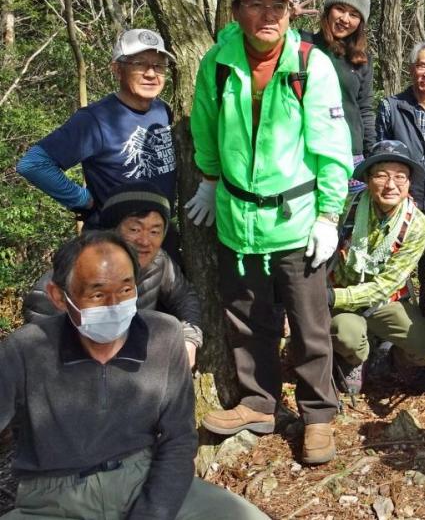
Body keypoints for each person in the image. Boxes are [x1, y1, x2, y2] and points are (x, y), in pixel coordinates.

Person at [187, 0, 353, 465]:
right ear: (237, 11)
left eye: (277, 7)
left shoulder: (310, 64)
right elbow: (205, 126)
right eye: (256, 4)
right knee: (245, 318)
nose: (267, 15)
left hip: (296, 218)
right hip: (237, 218)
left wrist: (329, 213)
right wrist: (210, 179)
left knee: (309, 323)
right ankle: (258, 403)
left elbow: (333, 149)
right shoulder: (218, 61)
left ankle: (318, 415)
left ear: (290, 13)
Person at [0, 231, 267, 520]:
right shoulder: (26, 349)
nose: (115, 305)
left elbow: (178, 439)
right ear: (59, 297)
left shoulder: (163, 336)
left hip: (145, 480)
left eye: (126, 290)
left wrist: (152, 513)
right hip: (52, 499)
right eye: (98, 294)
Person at [16, 28, 179, 253]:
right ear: (117, 69)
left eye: (158, 65)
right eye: (139, 64)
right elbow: (33, 164)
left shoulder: (164, 111)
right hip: (112, 244)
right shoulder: (95, 119)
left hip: (159, 239)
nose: (151, 74)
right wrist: (83, 200)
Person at [22, 181, 203, 368]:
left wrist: (189, 340)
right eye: (134, 229)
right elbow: (40, 354)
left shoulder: (159, 262)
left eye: (155, 231)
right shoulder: (58, 287)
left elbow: (185, 297)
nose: (145, 241)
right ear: (111, 229)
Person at [328, 140, 425, 395]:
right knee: (345, 333)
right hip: (343, 294)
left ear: (409, 182)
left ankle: (396, 358)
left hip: (384, 300)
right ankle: (355, 359)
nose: (391, 185)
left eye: (400, 177)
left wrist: (334, 296)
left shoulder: (417, 224)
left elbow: (386, 285)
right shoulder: (347, 206)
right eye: (381, 176)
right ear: (368, 179)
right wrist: (331, 295)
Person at [375, 41, 425, 247]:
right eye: (422, 66)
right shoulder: (391, 107)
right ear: (412, 69)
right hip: (399, 200)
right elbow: (378, 157)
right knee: (395, 265)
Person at [301, 0, 376, 190]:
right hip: (306, 152)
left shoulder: (362, 60)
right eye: (340, 9)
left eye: (354, 15)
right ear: (328, 10)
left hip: (350, 157)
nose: (345, 19)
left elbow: (365, 110)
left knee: (349, 222)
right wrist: (285, 17)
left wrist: (372, 158)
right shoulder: (302, 44)